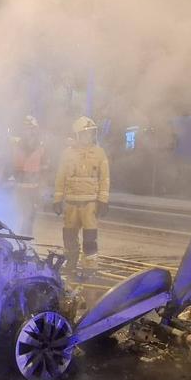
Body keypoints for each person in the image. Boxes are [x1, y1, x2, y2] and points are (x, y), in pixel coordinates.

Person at [53, 116, 110, 271]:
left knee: (90, 237)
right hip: (71, 203)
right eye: (85, 134)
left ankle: (89, 266)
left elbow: (104, 178)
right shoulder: (67, 154)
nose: (88, 137)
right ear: (77, 135)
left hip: (90, 203)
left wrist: (103, 200)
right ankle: (70, 262)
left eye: (91, 133)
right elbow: (60, 177)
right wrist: (57, 200)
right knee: (69, 235)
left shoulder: (99, 153)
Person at [11, 115, 49, 234]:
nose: (29, 131)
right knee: (19, 216)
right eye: (26, 128)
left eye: (31, 128)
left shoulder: (41, 148)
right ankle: (18, 240)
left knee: (30, 218)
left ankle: (26, 241)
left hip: (34, 190)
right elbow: (11, 166)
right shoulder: (16, 146)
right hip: (19, 188)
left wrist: (43, 188)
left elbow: (45, 170)